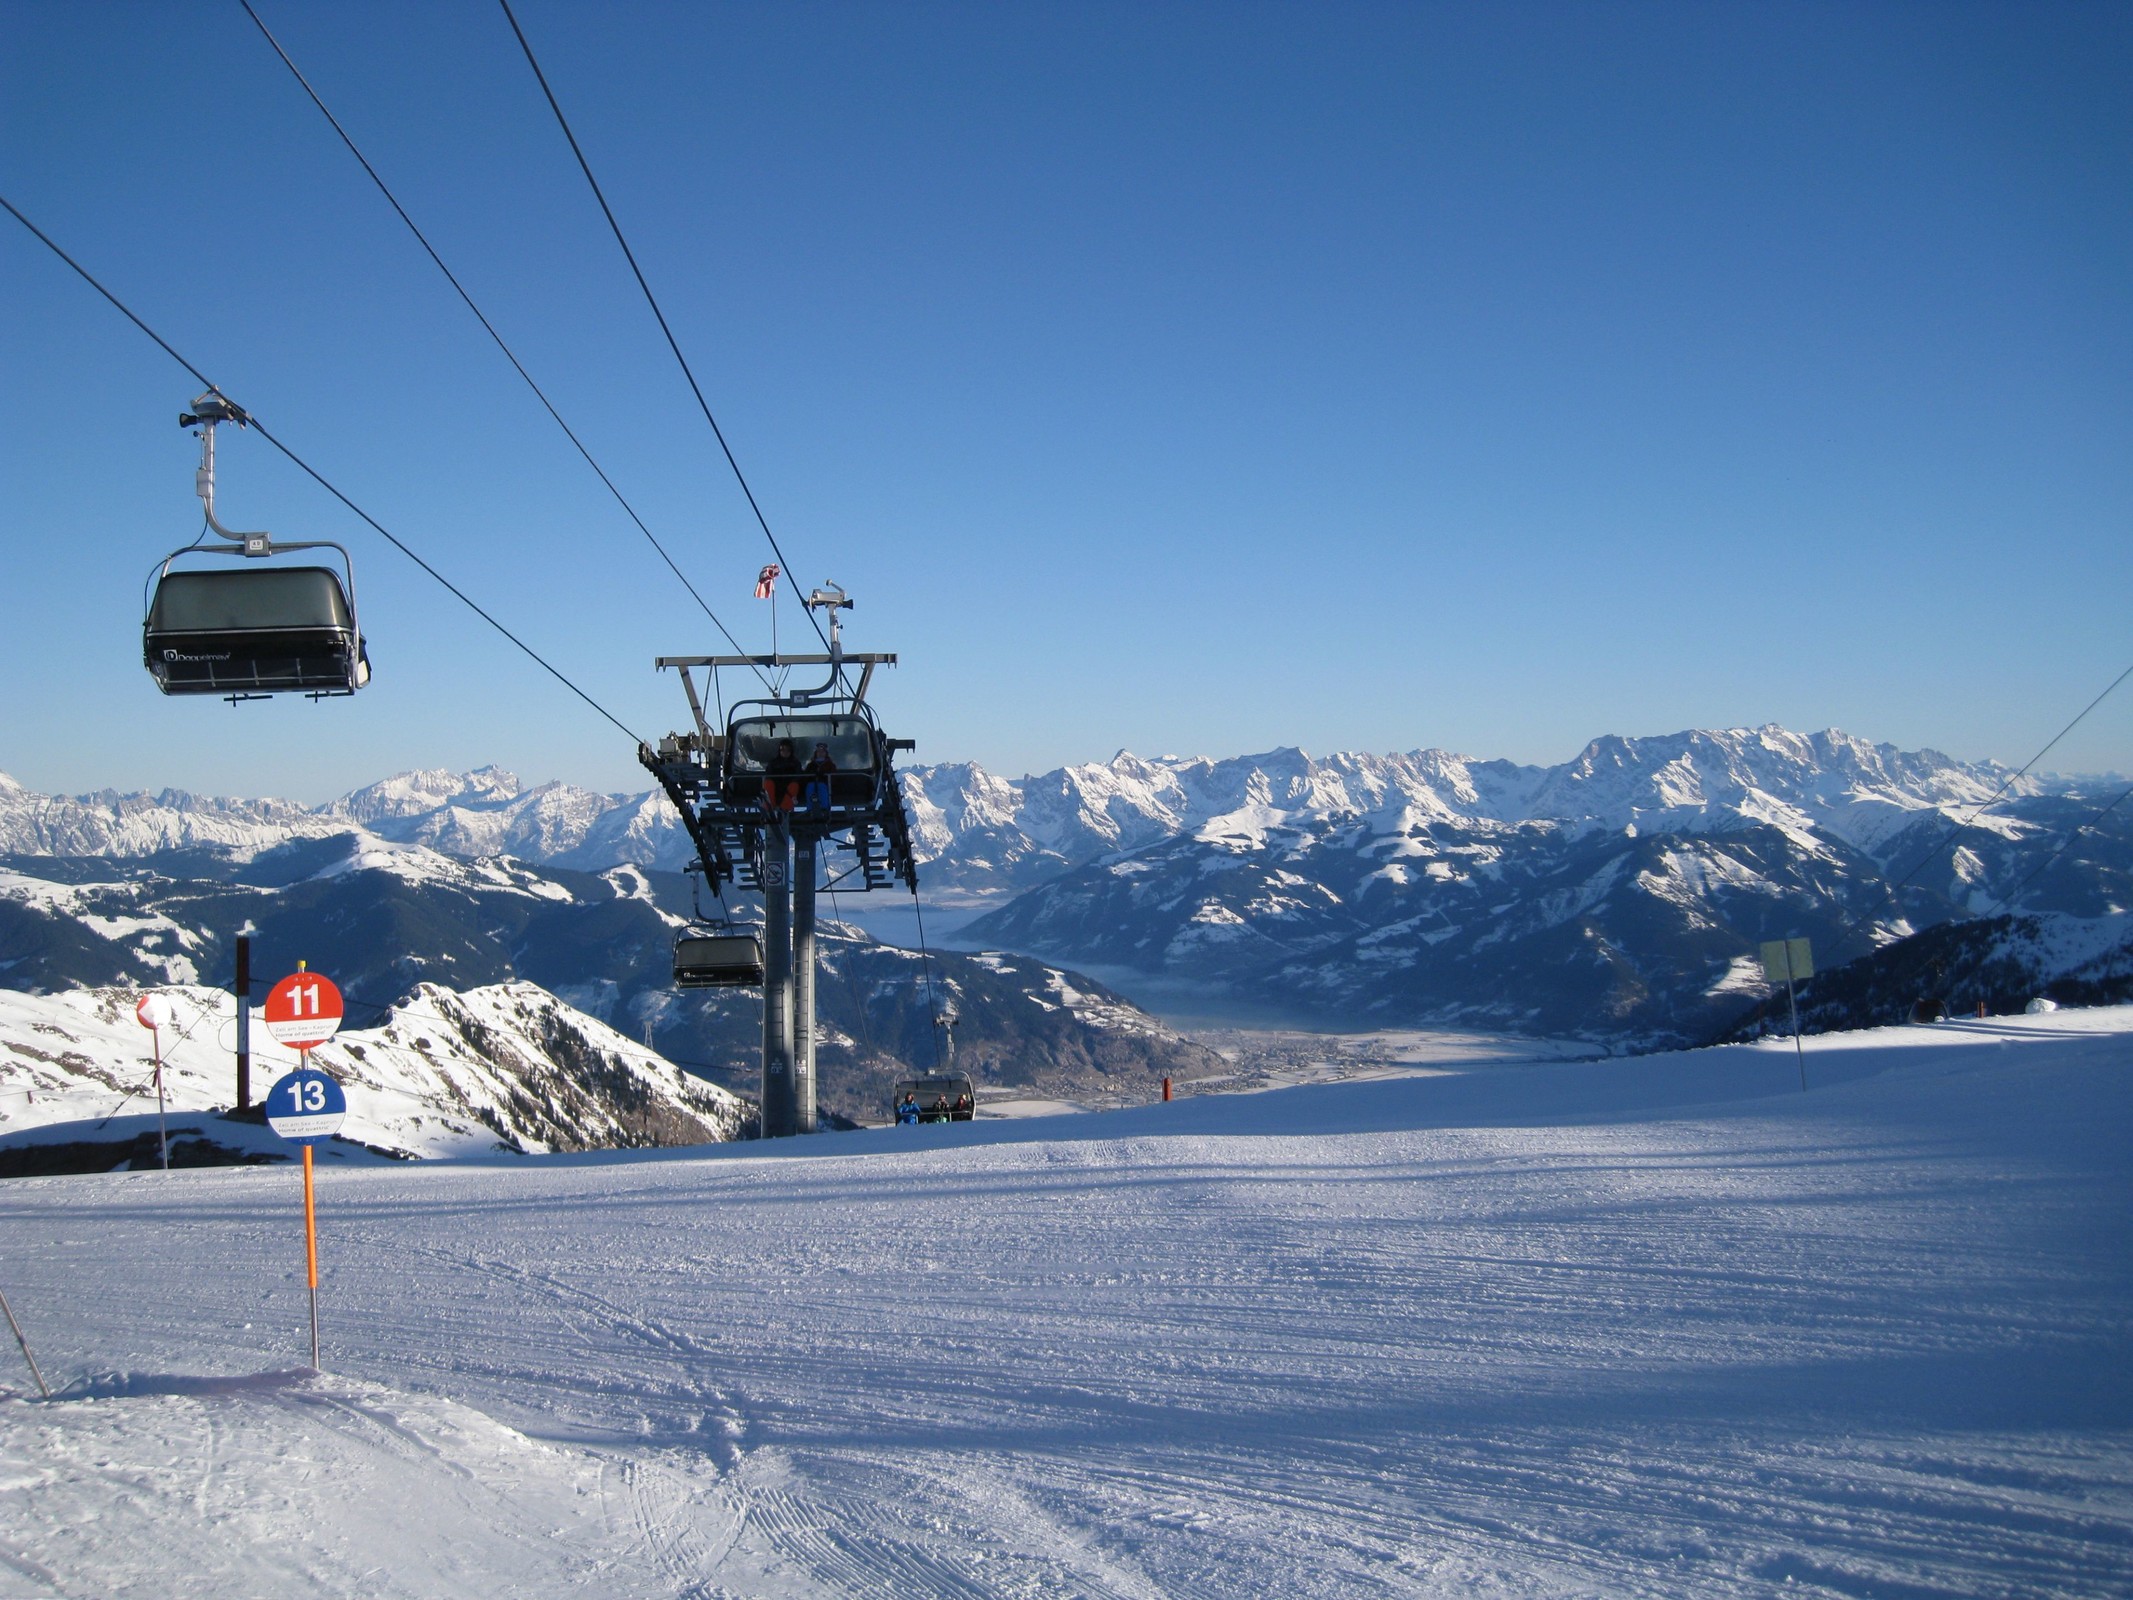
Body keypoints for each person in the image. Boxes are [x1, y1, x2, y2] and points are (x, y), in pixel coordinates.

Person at [762, 737, 802, 814]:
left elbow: (798, 777)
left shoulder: (795, 763)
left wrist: (789, 782)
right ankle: (769, 807)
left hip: (789, 787)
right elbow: (769, 775)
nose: (785, 752)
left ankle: (785, 808)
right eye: (782, 749)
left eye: (787, 750)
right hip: (776, 786)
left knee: (794, 785)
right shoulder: (773, 763)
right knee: (768, 783)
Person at [803, 741, 837, 813]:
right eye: (818, 752)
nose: (820, 753)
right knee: (810, 786)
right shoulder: (811, 764)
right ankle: (810, 808)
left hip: (824, 783)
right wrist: (811, 775)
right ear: (816, 753)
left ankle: (824, 808)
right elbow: (806, 775)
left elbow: (833, 775)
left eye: (822, 752)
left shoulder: (829, 764)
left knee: (821, 787)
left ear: (826, 753)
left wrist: (824, 775)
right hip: (812, 782)